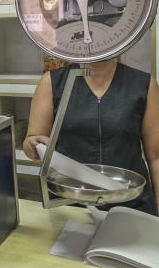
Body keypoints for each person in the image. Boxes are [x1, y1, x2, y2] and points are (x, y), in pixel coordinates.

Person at [23, 58, 159, 215]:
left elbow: (156, 157)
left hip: (130, 203)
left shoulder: (144, 84)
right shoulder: (52, 81)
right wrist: (33, 145)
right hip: (70, 202)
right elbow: (31, 141)